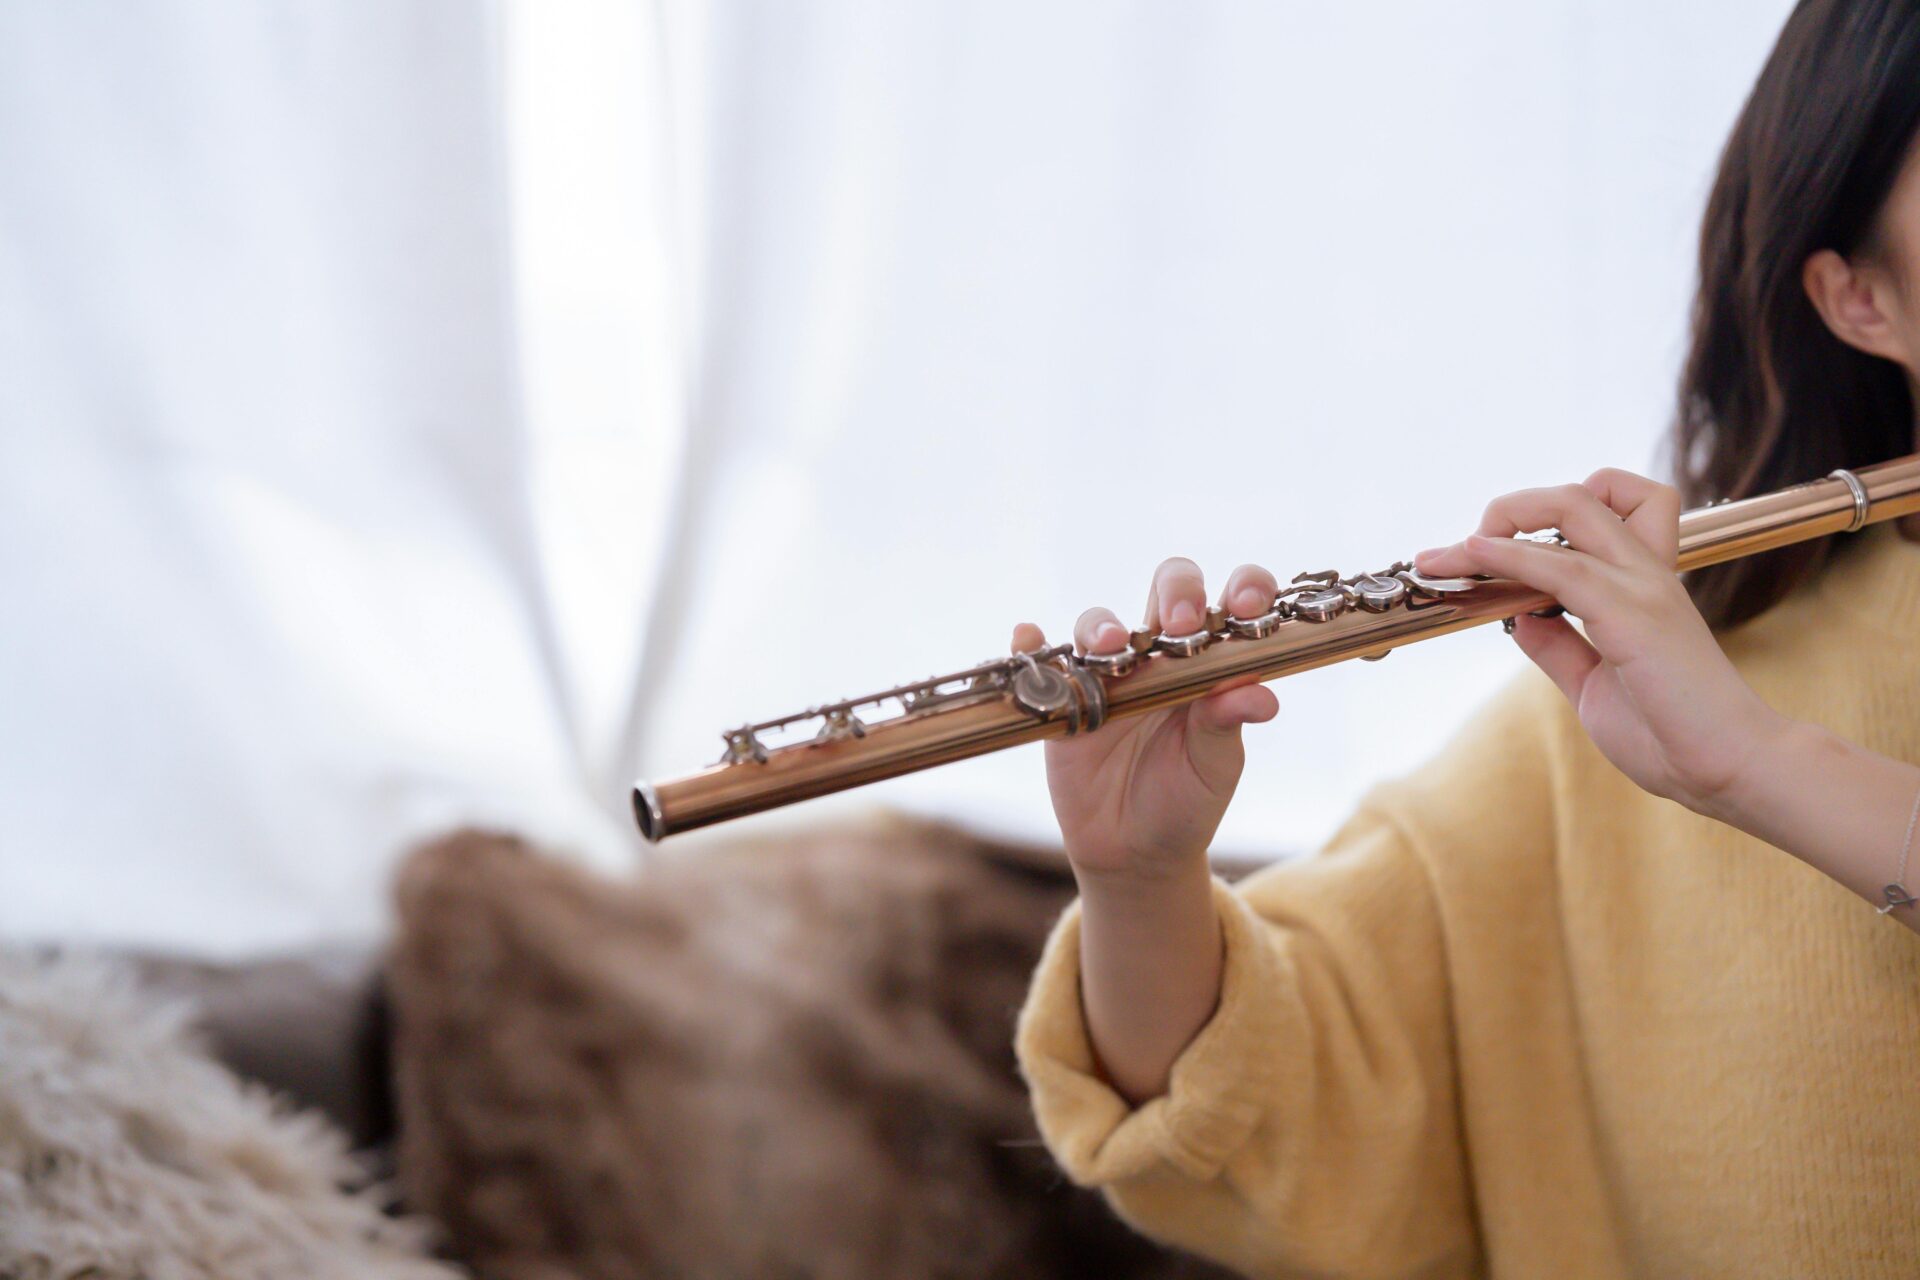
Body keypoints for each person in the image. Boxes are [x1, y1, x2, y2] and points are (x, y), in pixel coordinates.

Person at [1009, 2, 1920, 1275]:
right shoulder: (1665, 692)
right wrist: (1139, 880)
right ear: (1863, 296)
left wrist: (1762, 764)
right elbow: (1267, 1109)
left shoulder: (1718, 722)